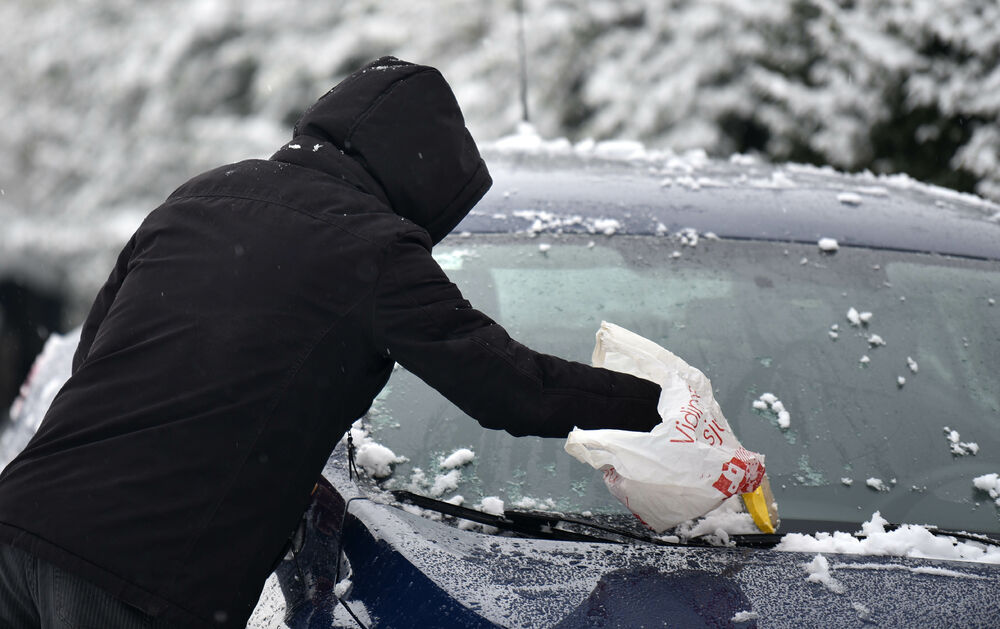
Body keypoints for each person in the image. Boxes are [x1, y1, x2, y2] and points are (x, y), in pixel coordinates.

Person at [0, 57, 661, 628]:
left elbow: (96, 359)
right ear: (421, 178)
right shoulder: (377, 250)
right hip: (133, 575)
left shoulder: (201, 195)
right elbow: (510, 389)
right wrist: (659, 409)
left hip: (19, 525)